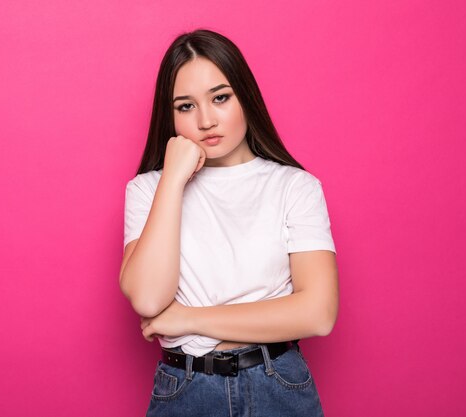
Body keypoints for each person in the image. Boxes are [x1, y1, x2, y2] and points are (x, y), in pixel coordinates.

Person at [119, 29, 339, 417]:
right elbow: (149, 298)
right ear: (169, 116)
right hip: (186, 388)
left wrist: (186, 318)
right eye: (185, 107)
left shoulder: (295, 186)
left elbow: (317, 314)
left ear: (245, 97)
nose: (206, 120)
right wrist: (172, 177)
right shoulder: (147, 190)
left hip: (278, 383)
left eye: (220, 98)